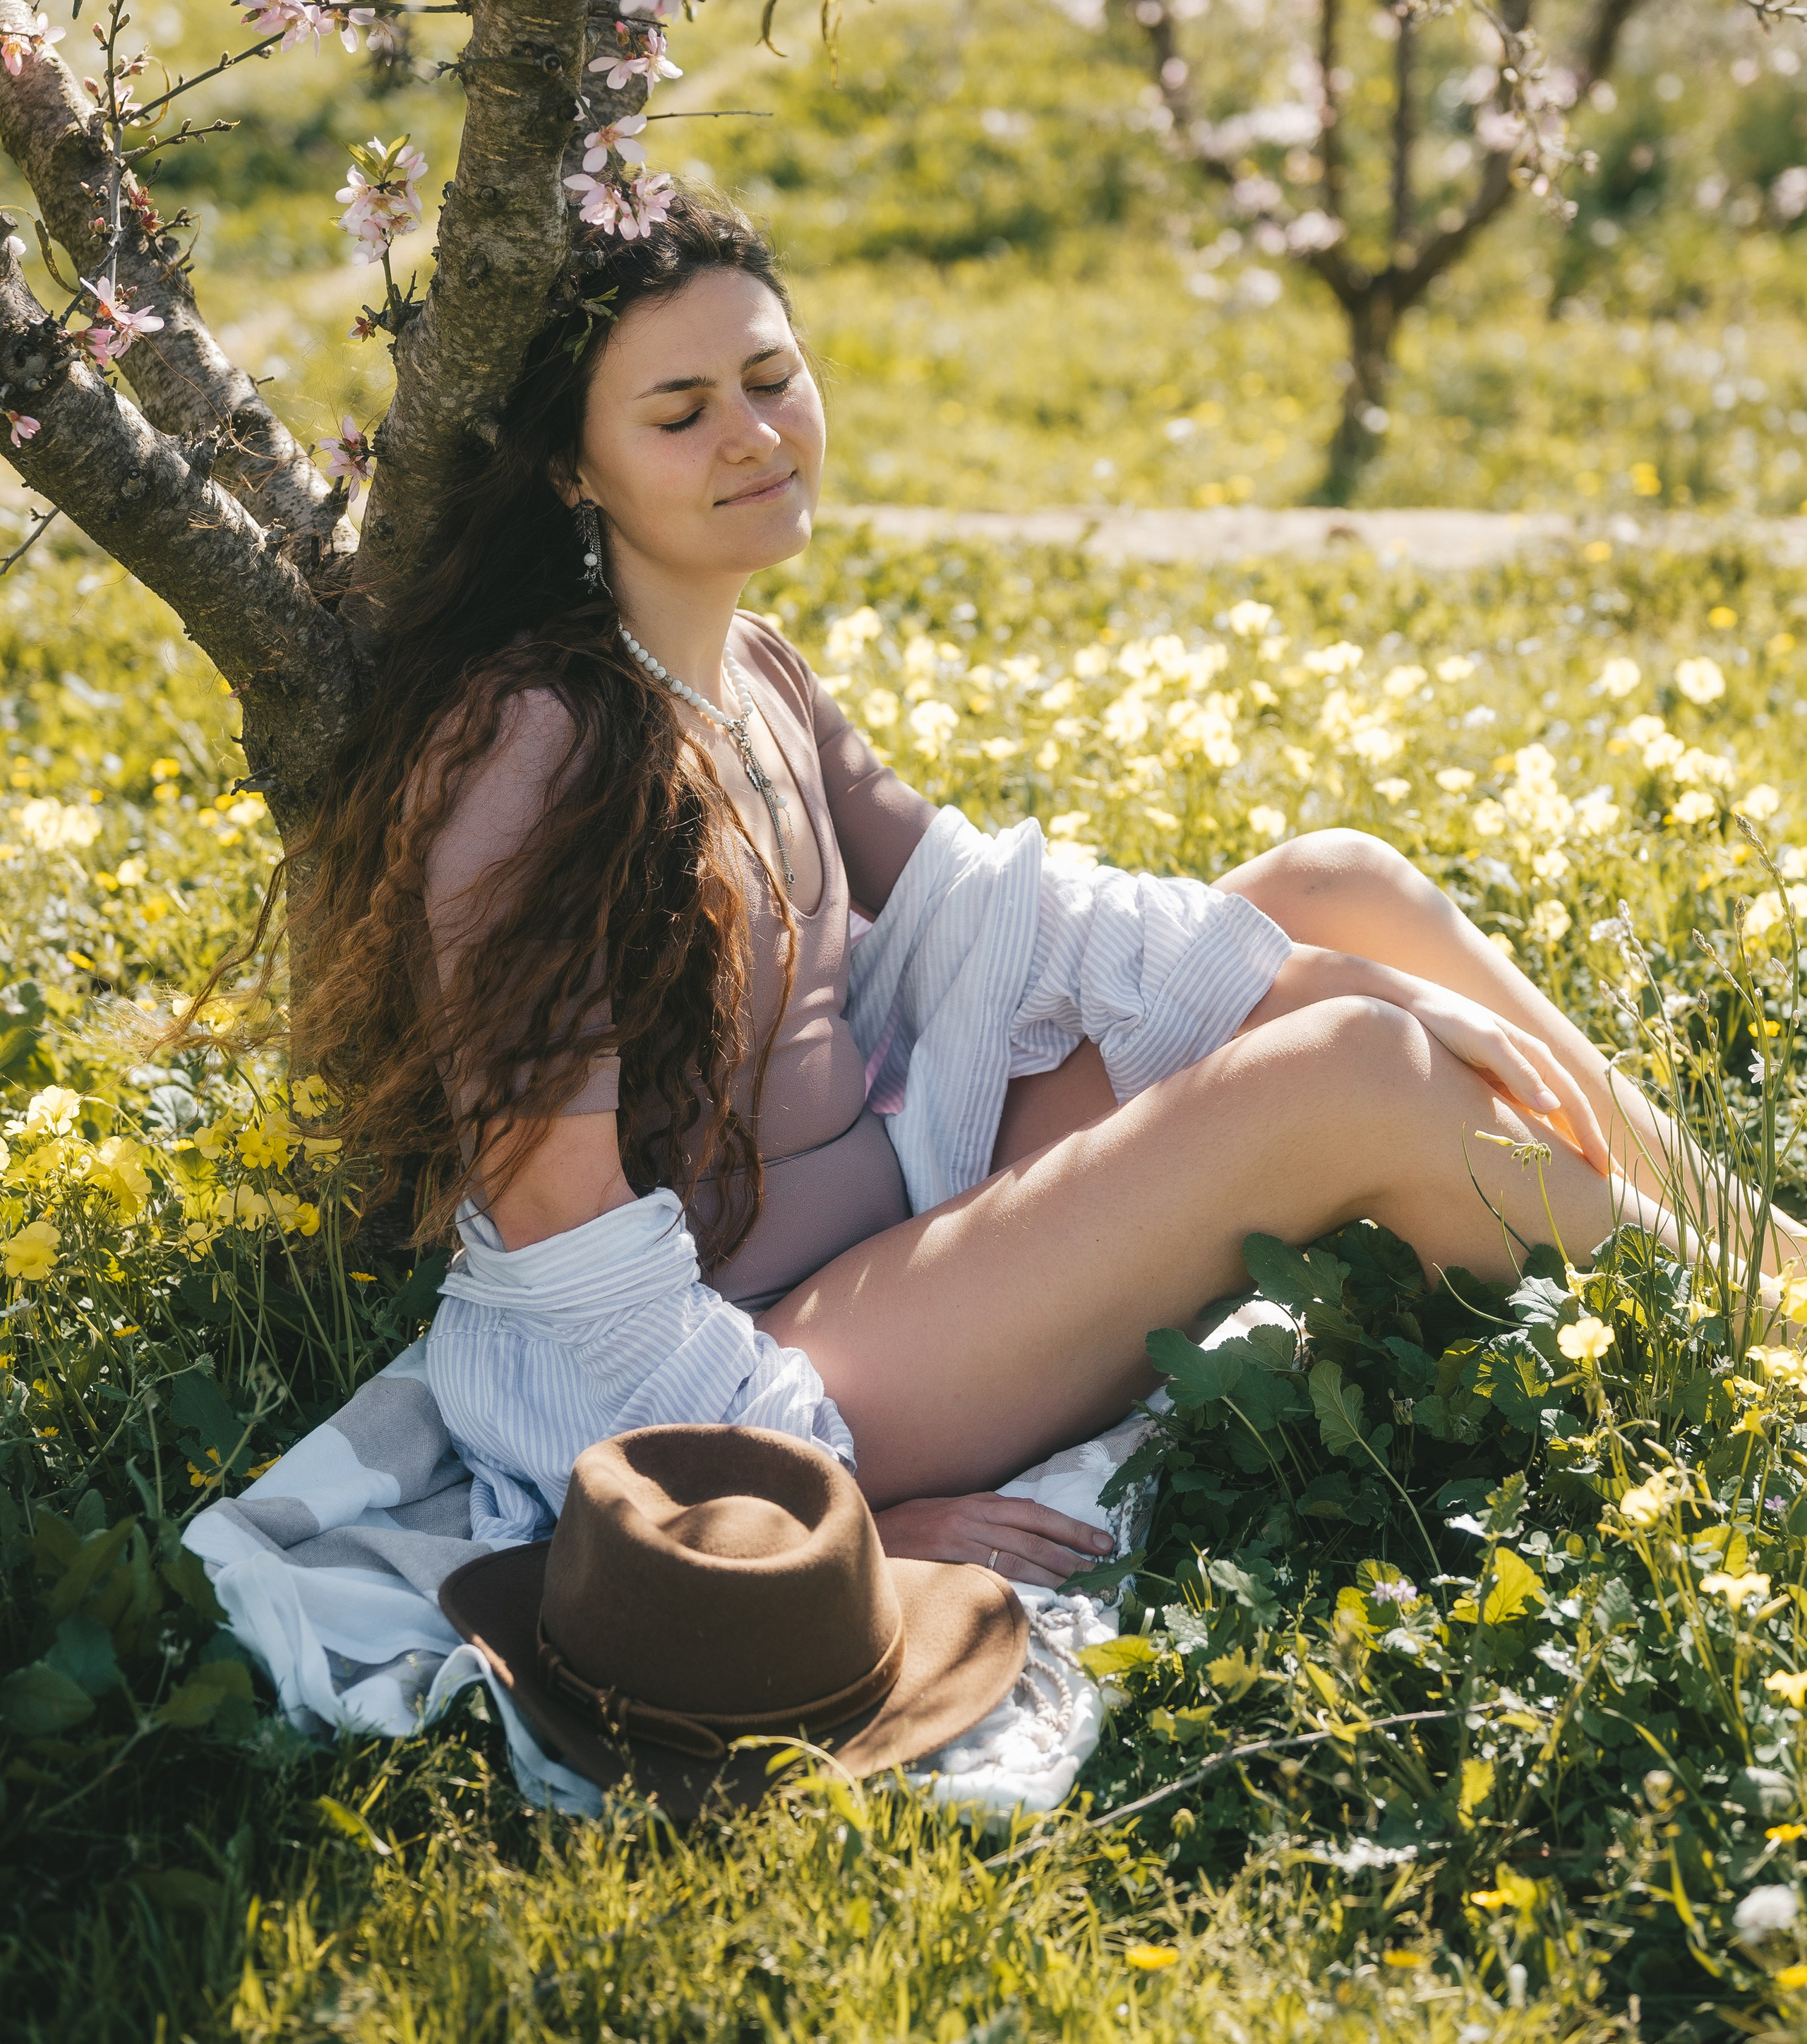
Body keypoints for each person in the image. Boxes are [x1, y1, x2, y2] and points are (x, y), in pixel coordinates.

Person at [292, 193, 1804, 1591]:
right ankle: (1744, 1362)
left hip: (911, 1197)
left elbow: (991, 901)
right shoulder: (540, 749)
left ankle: (1769, 1269)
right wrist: (813, 1504)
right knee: (1356, 1069)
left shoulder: (748, 670)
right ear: (573, 465)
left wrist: (1316, 966)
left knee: (1337, 892)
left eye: (770, 376)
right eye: (680, 413)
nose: (754, 435)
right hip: (781, 1366)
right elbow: (555, 1220)